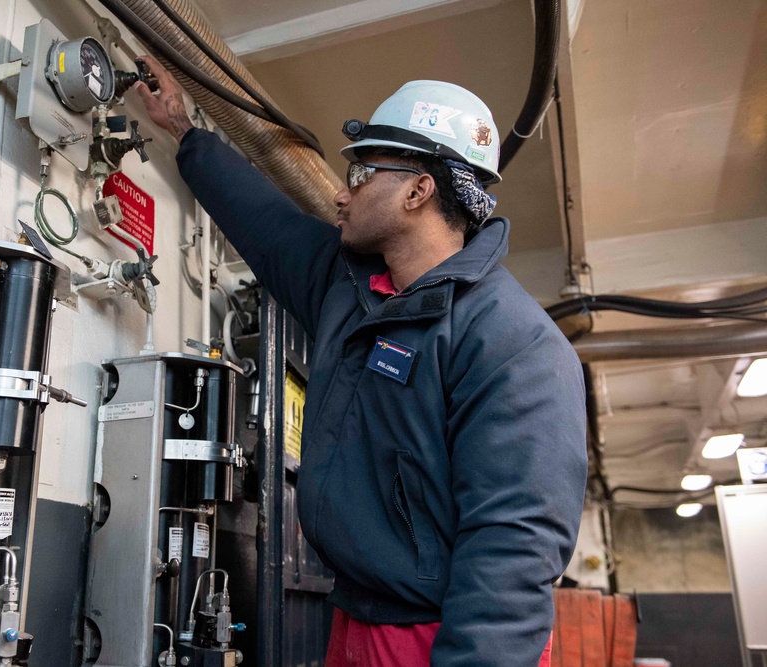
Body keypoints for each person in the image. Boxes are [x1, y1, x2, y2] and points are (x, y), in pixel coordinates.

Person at [134, 58, 588, 667]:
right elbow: (268, 228)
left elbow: (515, 547)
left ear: (418, 190)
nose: (342, 192)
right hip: (354, 615)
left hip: (438, 635)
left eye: (363, 171)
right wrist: (186, 133)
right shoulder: (352, 288)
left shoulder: (514, 342)